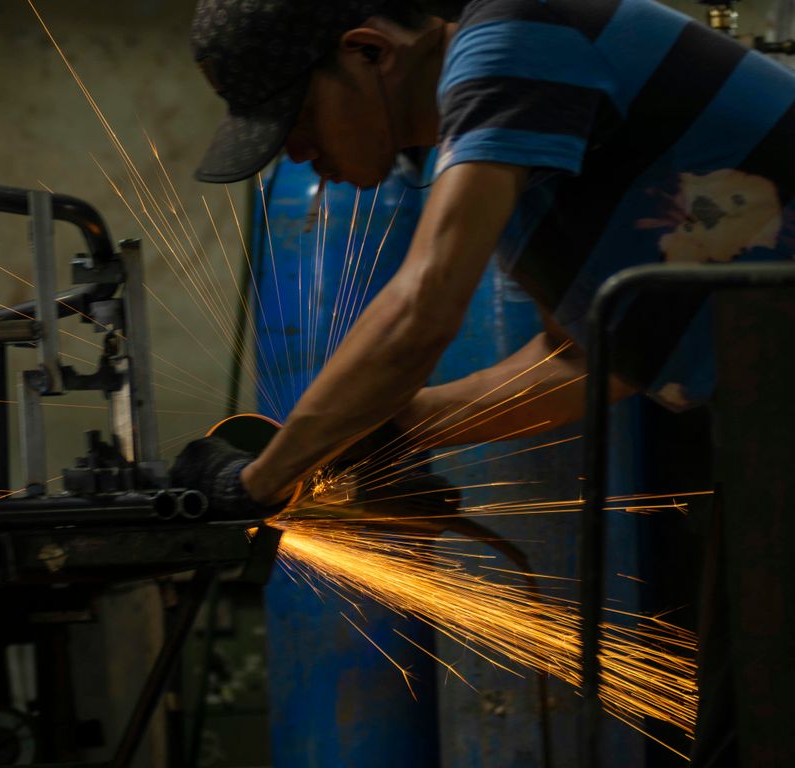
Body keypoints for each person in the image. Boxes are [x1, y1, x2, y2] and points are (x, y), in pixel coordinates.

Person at [171, 0, 795, 765]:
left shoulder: (513, 38)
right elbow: (589, 363)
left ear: (368, 52)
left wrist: (263, 479)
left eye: (297, 117)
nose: (295, 153)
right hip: (766, 413)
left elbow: (423, 307)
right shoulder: (514, 151)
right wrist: (400, 429)